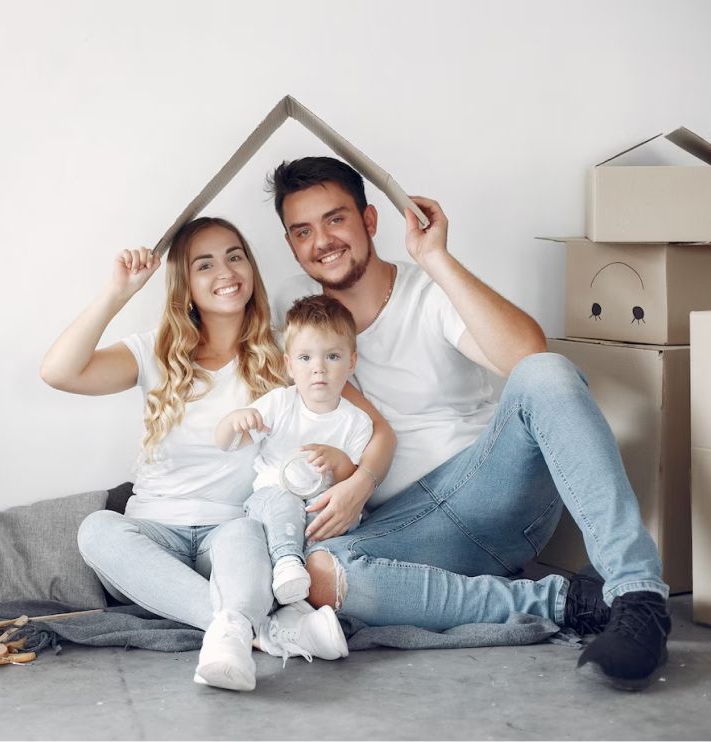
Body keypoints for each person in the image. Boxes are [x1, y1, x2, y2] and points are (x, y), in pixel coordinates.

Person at [264, 156, 671, 692]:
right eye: (303, 231)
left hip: (489, 495)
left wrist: (436, 258)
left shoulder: (427, 293)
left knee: (545, 373)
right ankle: (570, 602)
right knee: (316, 574)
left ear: (369, 220)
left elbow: (526, 354)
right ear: (292, 244)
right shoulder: (292, 309)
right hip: (403, 530)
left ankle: (639, 595)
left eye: (335, 219)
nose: (322, 240)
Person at [40, 216, 377, 692]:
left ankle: (236, 631)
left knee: (244, 532)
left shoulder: (288, 352)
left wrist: (359, 481)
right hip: (154, 536)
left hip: (231, 537)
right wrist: (118, 292)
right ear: (185, 284)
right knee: (97, 530)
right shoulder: (154, 351)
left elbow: (374, 428)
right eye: (205, 263)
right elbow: (58, 372)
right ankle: (253, 629)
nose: (226, 271)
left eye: (235, 256)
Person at [215, 294, 373, 610]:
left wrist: (340, 464)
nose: (319, 369)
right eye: (305, 358)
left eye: (332, 357)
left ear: (351, 362)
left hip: (317, 507)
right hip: (271, 499)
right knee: (284, 501)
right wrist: (234, 422)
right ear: (289, 364)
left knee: (337, 513)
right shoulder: (280, 403)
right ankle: (287, 563)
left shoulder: (357, 421)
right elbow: (224, 442)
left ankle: (306, 574)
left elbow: (353, 483)